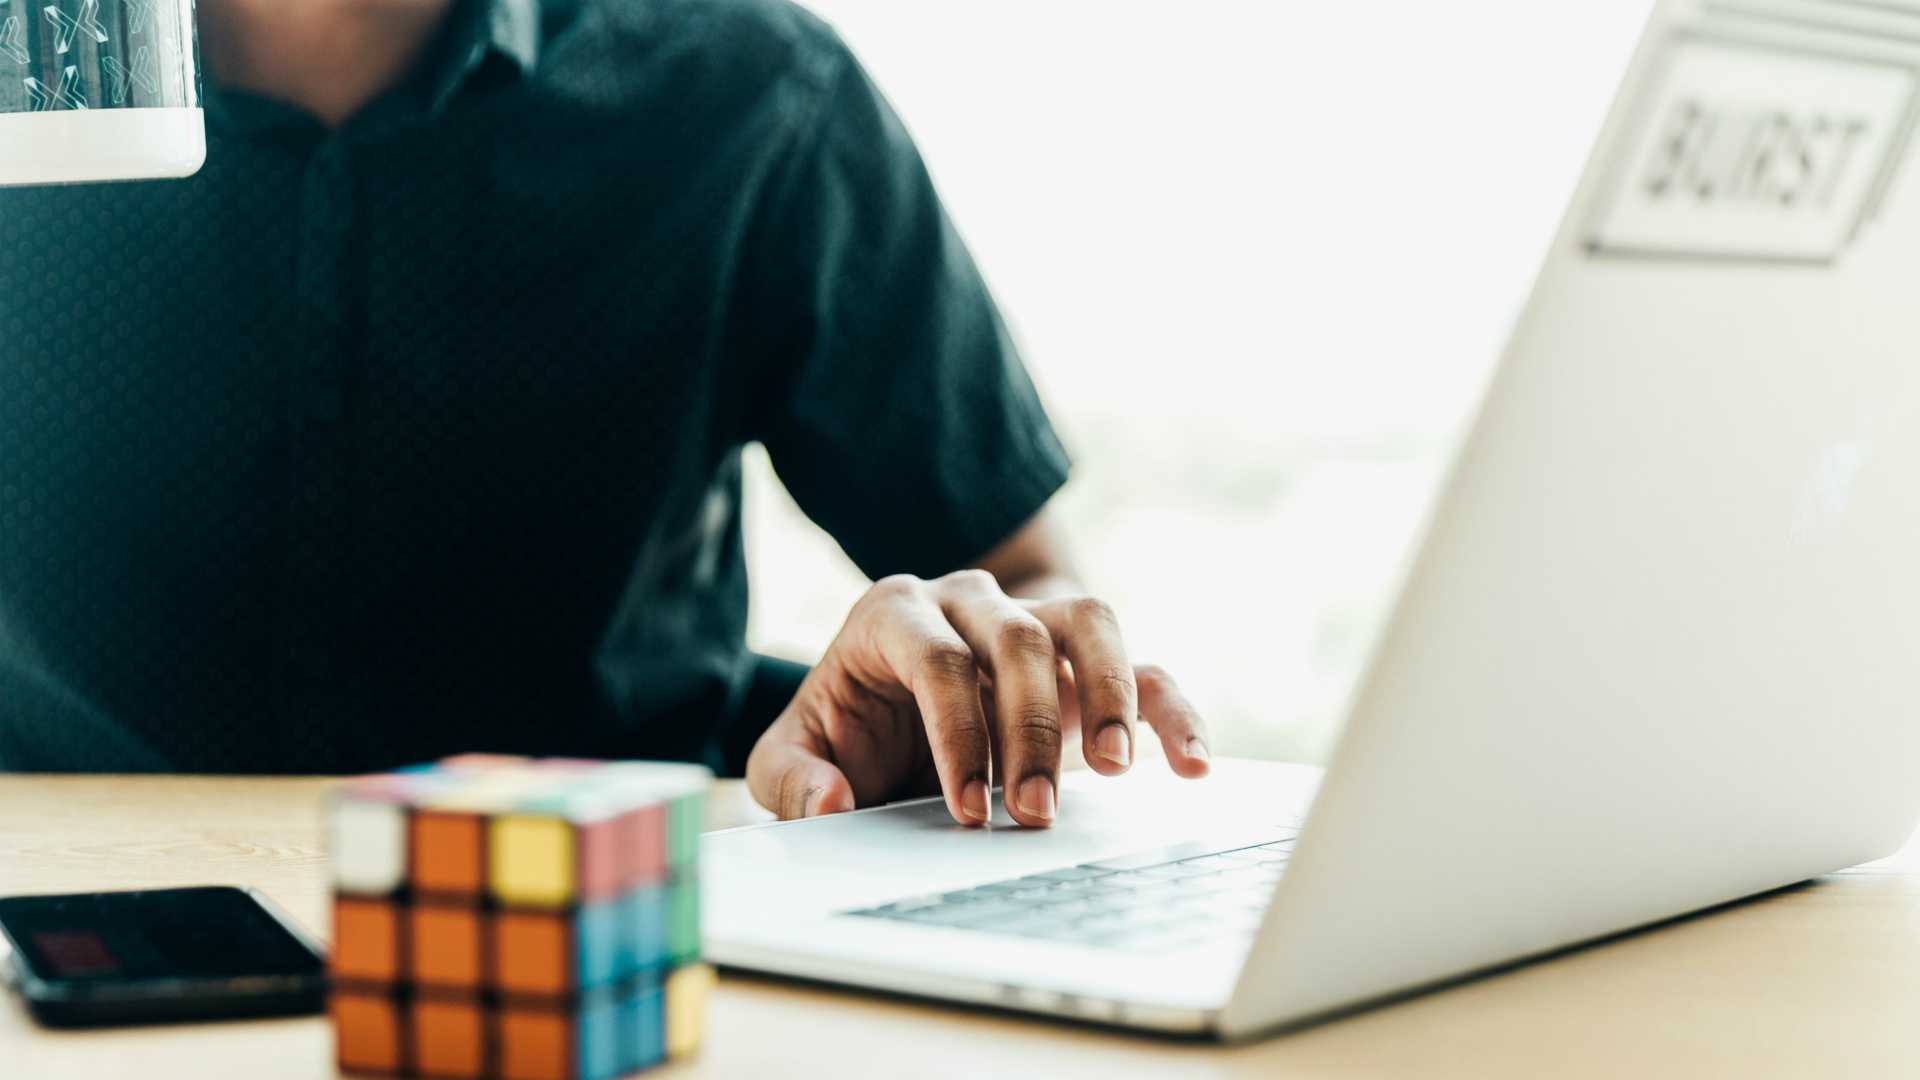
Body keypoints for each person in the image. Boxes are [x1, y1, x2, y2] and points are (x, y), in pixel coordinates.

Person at [0, 0, 1211, 828]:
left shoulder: (748, 93)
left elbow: (1018, 582)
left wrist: (970, 681)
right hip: (63, 940)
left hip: (621, 922)